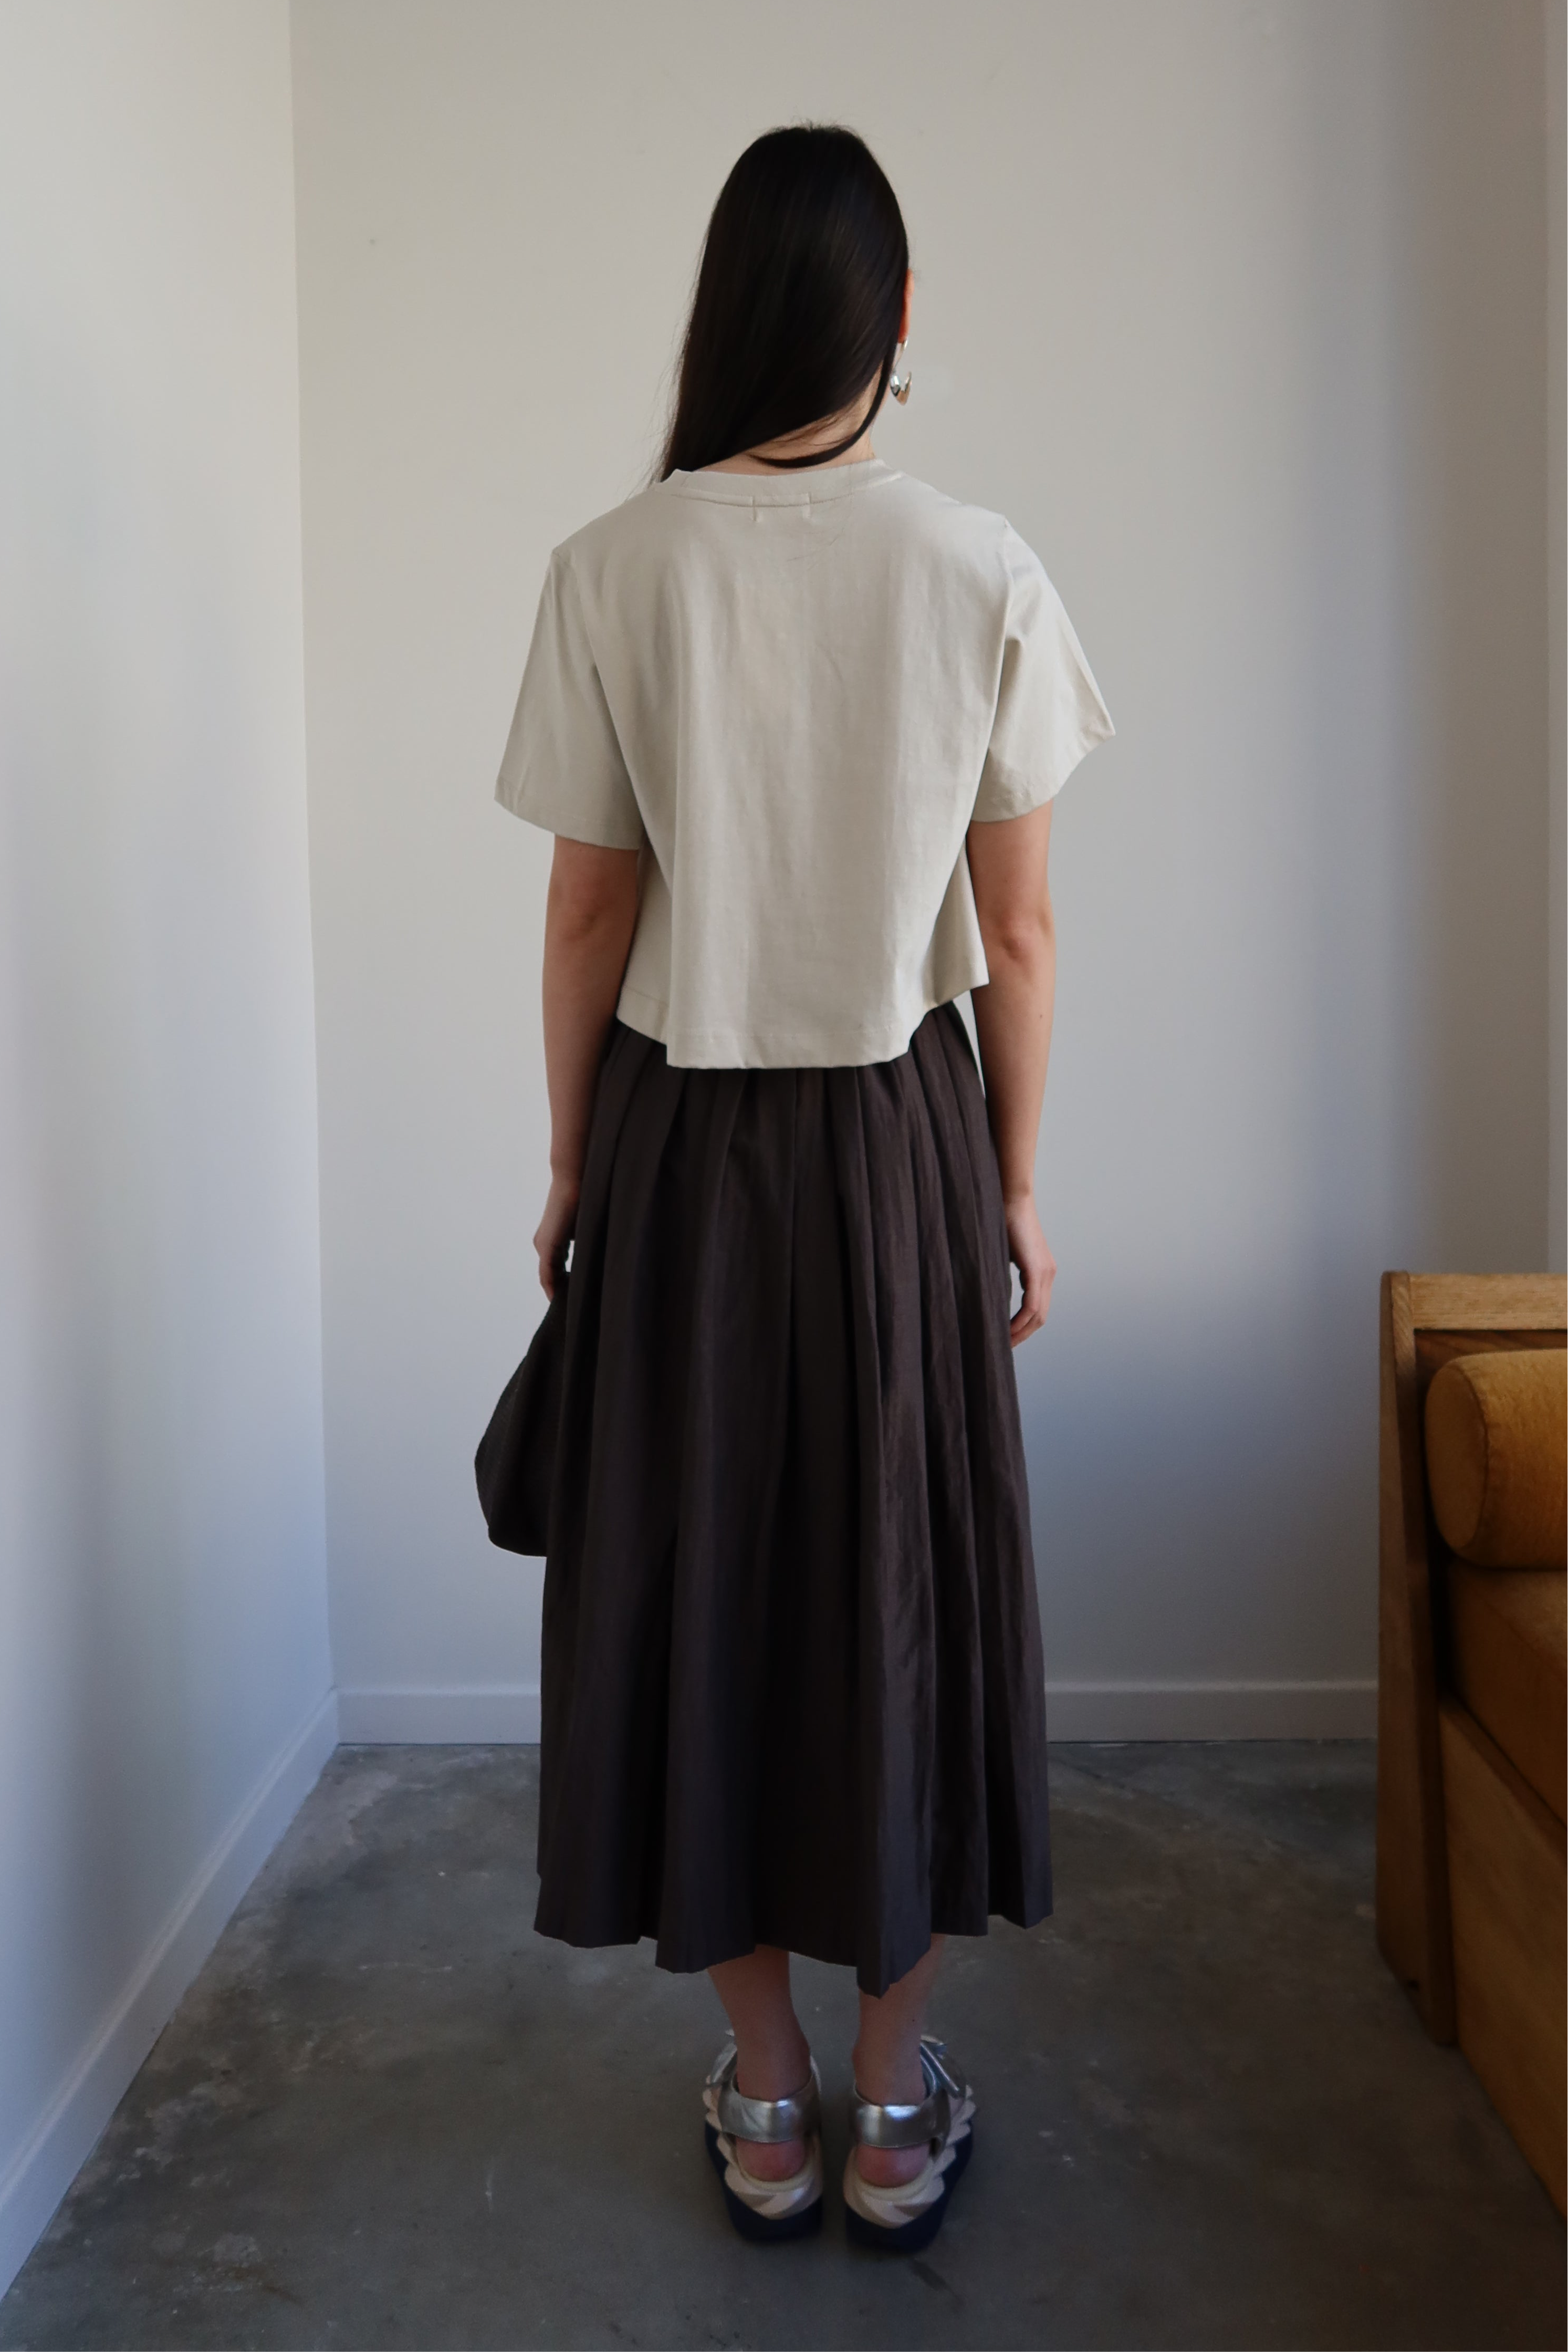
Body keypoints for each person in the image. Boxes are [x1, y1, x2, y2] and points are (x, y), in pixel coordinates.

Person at [495, 122, 1112, 2254]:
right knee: (900, 1579)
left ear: (725, 310)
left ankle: (760, 2095)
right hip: (893, 1142)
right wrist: (1016, 1186)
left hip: (683, 1142)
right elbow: (1014, 937)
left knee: (701, 1587)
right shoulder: (978, 565)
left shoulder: (611, 564)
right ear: (897, 319)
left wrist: (574, 1162)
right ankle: (882, 2100)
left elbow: (588, 924)